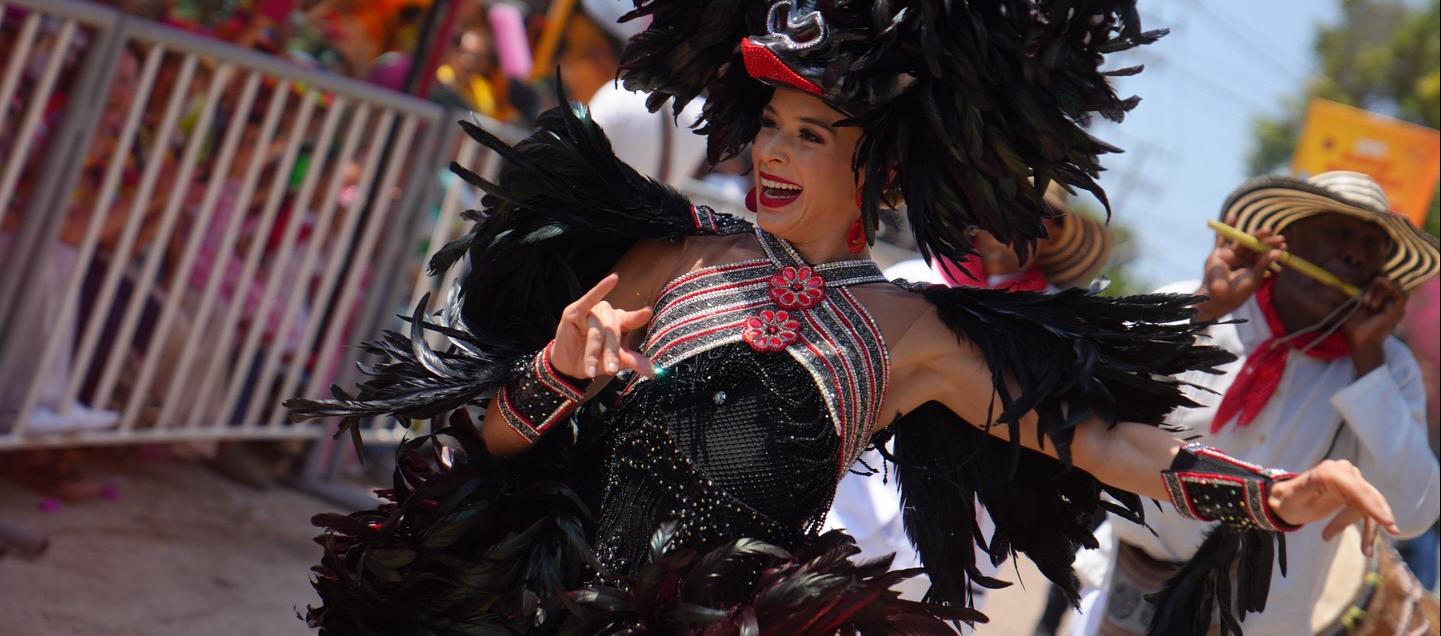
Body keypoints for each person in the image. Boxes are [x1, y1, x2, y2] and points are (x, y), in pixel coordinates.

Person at [287, 3, 1399, 634]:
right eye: (766, 125)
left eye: (806, 134)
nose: (767, 152)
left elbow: (1102, 443)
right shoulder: (672, 252)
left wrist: (1272, 494)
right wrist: (552, 378)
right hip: (547, 606)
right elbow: (490, 444)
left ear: (876, 164)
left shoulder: (912, 334)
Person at [1071, 170, 1441, 636]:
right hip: (1129, 589)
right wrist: (1203, 311)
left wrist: (1369, 362)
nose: (1356, 255)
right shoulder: (1194, 305)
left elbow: (1411, 513)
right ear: (1284, 243)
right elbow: (1082, 402)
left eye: (1373, 249)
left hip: (1259, 622)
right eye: (1339, 233)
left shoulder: (1388, 368)